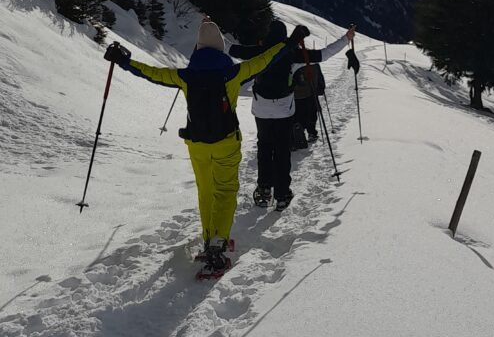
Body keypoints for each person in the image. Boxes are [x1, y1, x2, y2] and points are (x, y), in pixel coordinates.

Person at [103, 19, 308, 277]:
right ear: (221, 49)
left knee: (206, 191)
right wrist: (291, 42)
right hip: (226, 144)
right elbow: (267, 59)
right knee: (225, 191)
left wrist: (124, 61)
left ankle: (210, 238)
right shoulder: (233, 73)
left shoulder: (185, 76)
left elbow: (152, 73)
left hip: (197, 145)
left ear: (198, 48)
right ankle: (218, 243)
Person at [229, 21, 354, 210]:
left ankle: (264, 189)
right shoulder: (292, 53)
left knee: (264, 147)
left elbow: (231, 50)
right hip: (284, 109)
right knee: (281, 150)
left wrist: (206, 32)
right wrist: (346, 39)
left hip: (261, 109)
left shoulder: (258, 51)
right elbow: (324, 54)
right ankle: (282, 194)